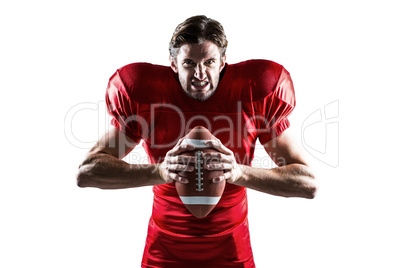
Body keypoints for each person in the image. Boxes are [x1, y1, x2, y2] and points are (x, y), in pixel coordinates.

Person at [77, 15, 317, 268]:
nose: (200, 74)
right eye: (189, 63)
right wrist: (159, 171)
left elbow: (306, 183)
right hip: (164, 252)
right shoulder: (146, 95)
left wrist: (238, 172)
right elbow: (88, 172)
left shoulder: (253, 92)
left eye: (210, 62)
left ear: (223, 61)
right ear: (173, 62)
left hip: (232, 252)